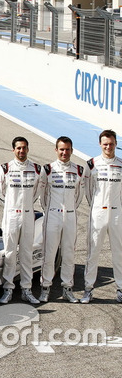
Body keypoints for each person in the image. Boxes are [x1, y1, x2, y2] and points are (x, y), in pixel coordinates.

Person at [0, 136, 43, 305]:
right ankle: (8, 289)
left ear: (28, 149)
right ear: (13, 150)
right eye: (18, 148)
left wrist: (28, 205)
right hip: (11, 216)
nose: (21, 151)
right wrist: (10, 205)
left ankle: (26, 290)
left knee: (26, 253)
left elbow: (37, 191)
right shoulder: (5, 168)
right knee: (9, 252)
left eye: (24, 148)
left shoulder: (36, 169)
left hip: (28, 214)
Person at [39, 136, 84, 303]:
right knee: (49, 253)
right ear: (56, 150)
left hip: (70, 215)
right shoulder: (48, 169)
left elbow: (79, 196)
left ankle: (67, 288)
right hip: (52, 215)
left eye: (67, 149)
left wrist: (70, 209)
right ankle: (45, 288)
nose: (64, 152)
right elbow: (42, 195)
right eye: (61, 149)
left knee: (69, 254)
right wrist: (49, 209)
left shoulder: (79, 170)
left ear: (72, 150)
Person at [81, 129, 122, 304]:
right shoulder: (91, 164)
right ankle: (88, 289)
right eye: (105, 144)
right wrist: (96, 206)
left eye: (111, 144)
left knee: (119, 253)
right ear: (100, 144)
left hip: (117, 213)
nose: (108, 147)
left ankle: (120, 289)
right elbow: (89, 191)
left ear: (116, 144)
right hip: (98, 211)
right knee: (93, 252)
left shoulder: (121, 164)